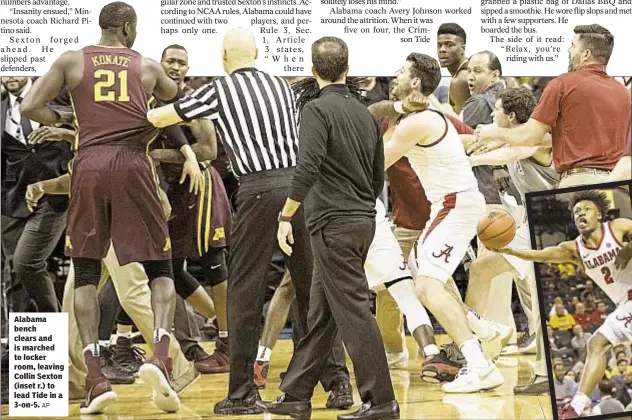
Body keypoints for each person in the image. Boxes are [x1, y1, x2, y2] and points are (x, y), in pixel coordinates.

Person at [147, 28, 351, 415]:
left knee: (244, 292)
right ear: (256, 53)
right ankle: (338, 382)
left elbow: (160, 117)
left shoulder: (217, 90)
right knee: (310, 291)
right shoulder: (283, 87)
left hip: (258, 191)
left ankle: (242, 394)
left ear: (224, 57)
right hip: (302, 189)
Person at [19, 1, 202, 414]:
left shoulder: (71, 60)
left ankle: (95, 379)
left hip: (89, 164)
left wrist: (72, 120)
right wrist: (191, 149)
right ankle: (159, 354)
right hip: (134, 164)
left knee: (84, 269)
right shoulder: (147, 67)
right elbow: (188, 108)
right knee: (158, 267)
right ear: (128, 27)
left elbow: (31, 106)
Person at [262, 37, 399, 420]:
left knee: (354, 311)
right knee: (321, 314)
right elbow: (376, 178)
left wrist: (286, 215)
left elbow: (306, 168)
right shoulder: (366, 114)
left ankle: (382, 400)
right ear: (346, 68)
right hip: (362, 220)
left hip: (333, 224)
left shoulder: (316, 110)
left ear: (312, 69)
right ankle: (295, 394)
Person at [378, 52, 504, 393]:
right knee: (417, 269)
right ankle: (481, 327)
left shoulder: (417, 122)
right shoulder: (432, 116)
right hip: (450, 204)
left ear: (415, 82)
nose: (394, 77)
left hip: (454, 204)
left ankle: (479, 366)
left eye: (401, 72)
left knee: (427, 287)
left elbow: (376, 161)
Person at [494, 190, 632, 418]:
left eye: (586, 209)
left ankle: (576, 408)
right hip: (623, 303)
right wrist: (509, 250)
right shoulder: (574, 249)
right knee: (596, 345)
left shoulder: (618, 227)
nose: (581, 214)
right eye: (577, 211)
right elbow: (542, 255)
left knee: (596, 343)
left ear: (600, 214)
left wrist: (628, 248)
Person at [465, 87, 558, 394]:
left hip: (552, 223)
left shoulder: (541, 139)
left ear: (511, 116)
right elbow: (480, 142)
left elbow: (511, 152)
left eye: (497, 110)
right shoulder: (511, 136)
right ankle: (476, 343)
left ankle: (547, 375)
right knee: (480, 268)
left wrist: (471, 162)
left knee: (546, 301)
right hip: (530, 222)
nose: (492, 114)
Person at [150, 43, 232, 373]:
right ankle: (214, 320)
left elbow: (209, 149)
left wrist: (159, 156)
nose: (175, 67)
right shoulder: (149, 100)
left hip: (201, 188)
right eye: (170, 60)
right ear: (159, 64)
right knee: (169, 268)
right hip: (168, 190)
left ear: (188, 69)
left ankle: (227, 344)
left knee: (215, 263)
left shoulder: (193, 100)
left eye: (181, 63)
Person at [475, 24, 631, 188]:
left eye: (573, 45)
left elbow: (530, 136)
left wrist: (495, 132)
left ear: (586, 54)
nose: (569, 51)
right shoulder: (625, 94)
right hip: (621, 184)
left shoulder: (563, 84)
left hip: (580, 181)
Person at [1, 76, 70, 335]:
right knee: (15, 271)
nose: (10, 77)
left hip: (54, 195)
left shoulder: (55, 97)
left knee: (27, 263)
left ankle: (53, 333)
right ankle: (19, 344)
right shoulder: (1, 107)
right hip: (12, 200)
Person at [436, 23, 470, 114]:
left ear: (462, 49)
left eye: (449, 45)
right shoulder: (467, 69)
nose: (442, 49)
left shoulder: (461, 79)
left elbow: (461, 123)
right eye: (439, 45)